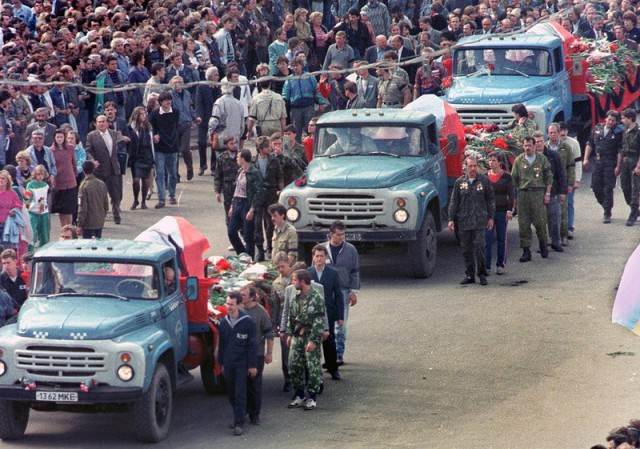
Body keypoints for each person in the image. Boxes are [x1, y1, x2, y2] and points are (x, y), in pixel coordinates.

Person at [448, 156, 495, 285]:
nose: (473, 168)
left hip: (480, 221)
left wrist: (491, 217)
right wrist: (451, 219)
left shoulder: (484, 181)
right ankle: (469, 275)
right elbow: (454, 202)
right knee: (466, 249)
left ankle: (482, 274)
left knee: (480, 247)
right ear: (466, 167)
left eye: (475, 166)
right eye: (470, 166)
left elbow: (490, 200)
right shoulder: (459, 182)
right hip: (464, 222)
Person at [217, 291, 258, 436]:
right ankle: (238, 416)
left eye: (232, 305)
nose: (229, 307)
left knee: (240, 393)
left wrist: (252, 365)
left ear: (239, 305)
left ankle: (239, 423)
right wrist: (221, 364)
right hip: (228, 364)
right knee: (231, 393)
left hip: (242, 364)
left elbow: (253, 345)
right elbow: (221, 345)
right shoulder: (223, 323)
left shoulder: (247, 323)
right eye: (227, 304)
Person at [285, 269, 326, 410]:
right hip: (298, 335)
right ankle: (299, 394)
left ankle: (312, 397)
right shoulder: (296, 296)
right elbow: (291, 316)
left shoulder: (316, 298)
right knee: (293, 364)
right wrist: (290, 334)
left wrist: (314, 340)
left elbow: (319, 321)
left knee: (312, 366)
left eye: (295, 280)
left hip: (310, 335)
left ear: (303, 282)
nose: (293, 282)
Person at [322, 220, 360, 365]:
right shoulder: (322, 250)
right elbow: (315, 269)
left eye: (343, 235)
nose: (341, 238)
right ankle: (329, 356)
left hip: (343, 291)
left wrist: (353, 292)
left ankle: (339, 354)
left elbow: (355, 271)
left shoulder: (351, 250)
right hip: (325, 292)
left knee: (340, 324)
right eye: (338, 235)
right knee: (326, 324)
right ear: (330, 234)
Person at [511, 136, 553, 262]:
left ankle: (543, 243)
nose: (527, 148)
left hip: (537, 193)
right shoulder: (519, 160)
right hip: (523, 194)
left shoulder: (541, 159)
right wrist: (514, 197)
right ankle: (526, 251)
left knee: (540, 221)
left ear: (534, 146)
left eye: (529, 145)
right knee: (523, 223)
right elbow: (514, 179)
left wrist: (547, 194)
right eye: (525, 145)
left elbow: (548, 177)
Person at [240, 286, 274, 425]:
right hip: (241, 355)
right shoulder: (239, 310)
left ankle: (254, 415)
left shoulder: (261, 312)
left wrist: (269, 353)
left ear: (252, 297)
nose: (241, 297)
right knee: (242, 386)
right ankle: (242, 413)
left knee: (255, 385)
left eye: (244, 295)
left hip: (257, 354)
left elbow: (269, 333)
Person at [308, 244, 344, 380]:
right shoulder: (308, 273)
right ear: (313, 257)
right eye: (316, 256)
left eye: (321, 256)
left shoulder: (333, 273)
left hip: (328, 312)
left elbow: (338, 295)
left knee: (329, 342)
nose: (319, 259)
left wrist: (340, 316)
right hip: (311, 314)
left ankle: (333, 368)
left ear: (326, 257)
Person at [583, 110, 624, 224]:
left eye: (613, 121)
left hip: (610, 163)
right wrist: (586, 158)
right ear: (605, 118)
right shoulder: (597, 129)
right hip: (598, 162)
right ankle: (604, 204)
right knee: (596, 187)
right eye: (609, 119)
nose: (610, 122)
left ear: (616, 122)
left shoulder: (618, 133)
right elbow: (590, 143)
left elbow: (620, 151)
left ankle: (607, 211)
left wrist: (618, 167)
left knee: (608, 188)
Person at [85, 115, 122, 224]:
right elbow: (88, 150)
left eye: (103, 121)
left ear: (107, 123)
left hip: (113, 169)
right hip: (100, 169)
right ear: (96, 124)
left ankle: (116, 214)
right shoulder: (91, 136)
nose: (101, 123)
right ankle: (101, 216)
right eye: (99, 122)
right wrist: (92, 161)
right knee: (100, 195)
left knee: (116, 194)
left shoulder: (114, 134)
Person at [228, 149, 264, 261]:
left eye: (238, 157)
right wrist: (232, 205)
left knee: (248, 234)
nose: (237, 159)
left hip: (247, 203)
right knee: (232, 231)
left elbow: (259, 191)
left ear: (243, 159)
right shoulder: (240, 171)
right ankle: (242, 254)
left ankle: (250, 258)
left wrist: (252, 209)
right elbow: (237, 188)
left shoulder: (254, 172)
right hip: (237, 202)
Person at [534, 130, 566, 253]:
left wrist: (562, 191)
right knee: (540, 219)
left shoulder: (553, 155)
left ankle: (555, 242)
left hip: (552, 191)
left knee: (554, 218)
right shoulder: (531, 156)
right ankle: (542, 243)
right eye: (536, 142)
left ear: (544, 140)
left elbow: (560, 173)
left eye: (541, 141)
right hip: (537, 192)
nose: (539, 144)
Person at [484, 152, 515, 275]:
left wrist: (509, 210)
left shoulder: (507, 177)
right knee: (487, 238)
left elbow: (511, 194)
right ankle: (486, 265)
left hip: (502, 211)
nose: (491, 163)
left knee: (502, 238)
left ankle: (500, 264)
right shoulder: (485, 177)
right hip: (488, 213)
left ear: (500, 163)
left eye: (494, 160)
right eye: (490, 160)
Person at [149, 92, 180, 209]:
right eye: (166, 100)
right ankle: (161, 199)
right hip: (159, 148)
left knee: (173, 174)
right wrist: (154, 135)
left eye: (170, 100)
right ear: (160, 102)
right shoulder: (155, 114)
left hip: (172, 148)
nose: (169, 102)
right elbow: (151, 128)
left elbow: (175, 126)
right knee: (160, 174)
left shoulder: (176, 112)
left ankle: (172, 195)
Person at [254, 136, 283, 261]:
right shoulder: (254, 161)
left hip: (271, 193)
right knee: (257, 223)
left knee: (270, 222)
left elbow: (280, 177)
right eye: (266, 147)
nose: (269, 149)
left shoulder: (274, 160)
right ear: (260, 149)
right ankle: (259, 248)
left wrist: (281, 191)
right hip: (258, 194)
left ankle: (270, 247)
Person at [546, 123, 575, 245]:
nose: (552, 135)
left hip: (561, 182)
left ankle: (562, 236)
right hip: (549, 184)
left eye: (554, 132)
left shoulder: (565, 147)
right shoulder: (544, 147)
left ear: (559, 133)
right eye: (550, 132)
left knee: (562, 211)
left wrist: (570, 184)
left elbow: (571, 166)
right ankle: (552, 237)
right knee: (549, 213)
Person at [169, 76, 201, 182]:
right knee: (175, 151)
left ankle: (189, 167)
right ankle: (175, 174)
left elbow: (190, 108)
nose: (178, 84)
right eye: (176, 82)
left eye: (180, 82)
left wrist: (195, 117)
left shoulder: (187, 94)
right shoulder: (170, 95)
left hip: (186, 123)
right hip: (174, 124)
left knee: (185, 149)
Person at [270, 251, 294, 392]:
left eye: (283, 266)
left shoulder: (297, 279)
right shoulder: (276, 284)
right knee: (285, 352)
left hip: (297, 320)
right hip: (284, 322)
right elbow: (274, 305)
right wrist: (274, 325)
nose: (281, 270)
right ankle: (288, 379)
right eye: (278, 267)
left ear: (288, 263)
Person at [195, 67, 221, 176]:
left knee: (214, 144)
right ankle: (202, 165)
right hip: (204, 119)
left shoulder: (219, 87)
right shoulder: (202, 87)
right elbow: (198, 103)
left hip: (215, 119)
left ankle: (213, 167)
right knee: (201, 142)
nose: (218, 76)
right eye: (215, 75)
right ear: (209, 77)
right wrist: (199, 116)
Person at [559, 122, 582, 240]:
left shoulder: (574, 143)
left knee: (569, 203)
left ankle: (569, 228)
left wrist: (577, 180)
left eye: (565, 130)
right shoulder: (549, 144)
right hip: (557, 181)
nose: (563, 133)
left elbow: (578, 163)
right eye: (561, 130)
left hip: (569, 179)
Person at [128, 107, 154, 210]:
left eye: (144, 114)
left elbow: (151, 142)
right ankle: (135, 200)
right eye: (141, 114)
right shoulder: (131, 127)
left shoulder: (149, 127)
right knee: (136, 179)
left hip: (147, 155)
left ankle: (143, 201)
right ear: (136, 116)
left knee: (145, 179)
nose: (144, 116)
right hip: (136, 157)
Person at [50, 128, 78, 228]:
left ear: (64, 138)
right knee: (61, 209)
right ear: (54, 138)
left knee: (69, 209)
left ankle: (70, 228)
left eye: (61, 137)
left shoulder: (70, 148)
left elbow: (74, 163)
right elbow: (51, 166)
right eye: (57, 137)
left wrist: (74, 174)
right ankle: (63, 229)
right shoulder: (51, 150)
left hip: (70, 182)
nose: (59, 139)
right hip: (58, 183)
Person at [77, 160, 109, 239]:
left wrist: (79, 224)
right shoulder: (101, 183)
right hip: (99, 221)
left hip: (88, 223)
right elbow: (106, 203)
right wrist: (102, 217)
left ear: (83, 170)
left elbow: (82, 208)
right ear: (94, 169)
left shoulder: (83, 186)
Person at [619, 108, 640, 226]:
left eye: (624, 118)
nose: (622, 120)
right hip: (625, 161)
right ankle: (635, 209)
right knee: (625, 186)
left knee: (635, 189)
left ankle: (633, 212)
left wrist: (638, 166)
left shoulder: (638, 131)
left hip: (635, 160)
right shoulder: (624, 131)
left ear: (631, 118)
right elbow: (622, 149)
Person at [24, 165, 49, 250]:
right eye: (38, 174)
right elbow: (27, 197)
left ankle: (43, 253)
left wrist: (42, 208)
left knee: (44, 235)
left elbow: (43, 198)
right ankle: (30, 254)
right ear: (35, 174)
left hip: (43, 213)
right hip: (33, 213)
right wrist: (27, 201)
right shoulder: (30, 185)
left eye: (42, 174)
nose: (40, 176)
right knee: (32, 235)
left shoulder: (45, 185)